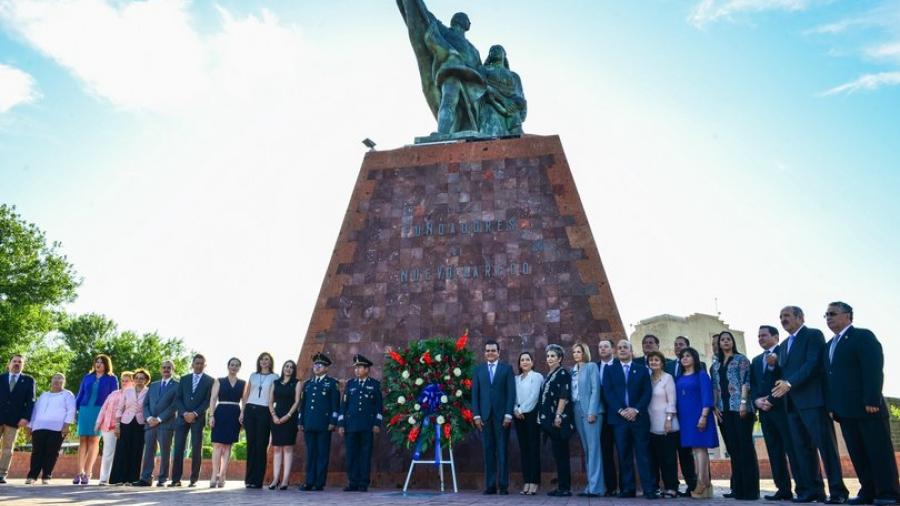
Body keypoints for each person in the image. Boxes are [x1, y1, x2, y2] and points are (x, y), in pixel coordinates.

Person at [823, 302, 900, 506]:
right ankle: (868, 491)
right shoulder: (829, 345)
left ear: (848, 316)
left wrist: (872, 398)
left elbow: (873, 368)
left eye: (833, 313)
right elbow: (829, 378)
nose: (828, 317)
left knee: (878, 451)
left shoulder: (862, 337)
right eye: (826, 315)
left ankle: (888, 493)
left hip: (867, 407)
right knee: (858, 453)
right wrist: (832, 406)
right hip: (845, 411)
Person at [772, 306, 849, 504]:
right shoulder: (782, 346)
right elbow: (783, 374)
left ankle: (838, 492)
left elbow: (812, 364)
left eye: (787, 316)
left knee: (826, 448)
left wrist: (789, 383)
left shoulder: (813, 335)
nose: (783, 320)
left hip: (813, 402)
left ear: (800, 317)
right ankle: (813, 491)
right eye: (781, 317)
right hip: (792, 405)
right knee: (802, 449)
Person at [603, 339, 658, 499]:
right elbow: (608, 393)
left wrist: (635, 409)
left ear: (631, 350)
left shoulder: (641, 370)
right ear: (615, 351)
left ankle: (649, 489)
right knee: (623, 455)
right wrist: (621, 411)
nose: (621, 350)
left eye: (625, 347)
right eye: (619, 348)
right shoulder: (609, 369)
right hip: (619, 420)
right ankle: (628, 489)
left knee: (644, 455)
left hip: (639, 419)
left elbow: (647, 392)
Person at [750, 325, 797, 501]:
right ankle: (783, 489)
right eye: (758, 335)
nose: (760, 338)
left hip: (783, 409)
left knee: (792, 450)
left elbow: (786, 377)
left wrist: (771, 399)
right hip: (764, 412)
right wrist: (756, 401)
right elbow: (753, 384)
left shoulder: (784, 353)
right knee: (774, 452)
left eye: (764, 335)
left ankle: (803, 487)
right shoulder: (755, 360)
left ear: (776, 337)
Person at [711, 331, 759, 500]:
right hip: (724, 411)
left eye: (728, 339)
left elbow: (746, 381)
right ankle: (738, 489)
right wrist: (715, 407)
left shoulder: (741, 359)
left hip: (741, 409)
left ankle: (750, 491)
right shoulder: (715, 365)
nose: (725, 342)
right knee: (733, 450)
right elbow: (715, 387)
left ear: (732, 342)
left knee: (745, 448)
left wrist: (744, 402)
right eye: (722, 339)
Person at [471, 339, 516, 495]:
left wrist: (509, 414)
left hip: (502, 417)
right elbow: (475, 395)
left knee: (502, 450)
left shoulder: (507, 369)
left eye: (493, 350)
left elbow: (511, 393)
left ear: (498, 352)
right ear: (484, 353)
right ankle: (490, 485)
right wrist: (476, 415)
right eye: (487, 350)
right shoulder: (478, 370)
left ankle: (503, 485)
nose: (490, 353)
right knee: (488, 450)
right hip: (484, 417)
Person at [675, 347, 717, 498]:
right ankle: (706, 486)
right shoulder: (679, 378)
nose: (684, 358)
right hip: (685, 418)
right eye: (682, 356)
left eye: (688, 356)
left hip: (700, 416)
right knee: (694, 450)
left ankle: (702, 482)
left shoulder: (701, 375)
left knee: (701, 449)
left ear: (694, 358)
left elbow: (707, 397)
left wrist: (704, 416)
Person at [339, 354, 382, 492]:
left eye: (360, 367)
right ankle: (353, 482)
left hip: (366, 425)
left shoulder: (374, 385)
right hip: (351, 425)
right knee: (351, 455)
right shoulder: (350, 384)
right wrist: (341, 424)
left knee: (365, 455)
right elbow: (343, 406)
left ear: (367, 369)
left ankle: (363, 483)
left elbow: (378, 406)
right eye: (355, 368)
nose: (357, 370)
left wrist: (377, 423)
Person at [74, 354, 118, 485]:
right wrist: (76, 410)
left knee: (94, 440)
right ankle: (78, 472)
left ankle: (88, 473)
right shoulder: (87, 377)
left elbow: (113, 397)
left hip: (100, 411)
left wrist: (109, 415)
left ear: (106, 365)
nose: (98, 364)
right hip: (85, 409)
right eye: (97, 362)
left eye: (101, 362)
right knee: (83, 440)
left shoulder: (112, 378)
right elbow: (80, 394)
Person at [298, 352, 340, 491]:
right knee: (311, 454)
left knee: (322, 454)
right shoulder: (308, 384)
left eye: (320, 365)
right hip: (309, 423)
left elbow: (335, 405)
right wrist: (301, 421)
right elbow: (303, 405)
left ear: (326, 368)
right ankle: (309, 482)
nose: (317, 367)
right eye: (315, 364)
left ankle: (319, 483)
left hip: (324, 424)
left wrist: (333, 421)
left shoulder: (332, 383)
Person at [170, 354, 214, 487]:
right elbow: (178, 398)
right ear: (192, 364)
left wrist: (194, 413)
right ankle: (175, 479)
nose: (199, 365)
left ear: (205, 365)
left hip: (198, 418)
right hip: (182, 418)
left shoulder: (210, 380)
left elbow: (208, 400)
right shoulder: (184, 379)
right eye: (197, 363)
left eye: (202, 363)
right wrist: (184, 413)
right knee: (178, 448)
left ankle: (194, 479)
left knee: (196, 449)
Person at [25, 373, 75, 484]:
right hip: (39, 427)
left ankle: (46, 476)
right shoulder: (44, 395)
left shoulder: (67, 394)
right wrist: (30, 426)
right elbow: (35, 411)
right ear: (51, 381)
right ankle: (32, 477)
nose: (57, 380)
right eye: (55, 378)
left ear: (64, 382)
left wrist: (66, 425)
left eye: (60, 378)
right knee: (37, 452)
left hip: (57, 428)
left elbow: (71, 411)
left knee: (51, 452)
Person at [538, 344, 575, 497]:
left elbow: (563, 396)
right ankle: (562, 486)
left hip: (559, 421)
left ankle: (565, 488)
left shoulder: (563, 374)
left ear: (560, 358)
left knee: (562, 455)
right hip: (550, 423)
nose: (549, 359)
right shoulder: (551, 374)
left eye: (553, 356)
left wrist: (558, 415)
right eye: (548, 356)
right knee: (558, 455)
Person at [135, 360, 178, 487]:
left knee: (165, 452)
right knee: (148, 451)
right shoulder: (153, 385)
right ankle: (146, 478)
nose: (166, 369)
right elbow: (146, 404)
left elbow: (174, 406)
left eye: (168, 367)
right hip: (150, 424)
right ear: (160, 369)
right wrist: (148, 418)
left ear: (172, 369)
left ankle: (162, 479)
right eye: (164, 367)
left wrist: (159, 419)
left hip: (166, 424)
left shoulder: (177, 385)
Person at [665, 336, 698, 496]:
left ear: (688, 347)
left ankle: (693, 485)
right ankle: (673, 486)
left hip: (689, 415)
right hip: (671, 415)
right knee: (671, 452)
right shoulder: (668, 365)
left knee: (687, 453)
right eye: (676, 345)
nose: (678, 347)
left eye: (681, 345)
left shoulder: (697, 366)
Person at [571, 342, 604, 497]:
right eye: (574, 352)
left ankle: (596, 488)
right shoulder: (573, 370)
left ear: (585, 353)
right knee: (587, 449)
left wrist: (592, 411)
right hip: (577, 409)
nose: (576, 354)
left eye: (579, 351)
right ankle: (590, 486)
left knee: (594, 449)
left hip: (591, 410)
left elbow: (596, 389)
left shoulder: (591, 367)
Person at [241, 351, 278, 489]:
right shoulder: (253, 375)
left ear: (270, 362)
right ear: (259, 361)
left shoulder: (275, 377)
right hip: (250, 410)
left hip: (265, 411)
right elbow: (246, 394)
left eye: (267, 359)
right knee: (251, 445)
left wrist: (272, 410)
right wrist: (243, 411)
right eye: (262, 359)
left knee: (261, 445)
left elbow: (274, 395)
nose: (264, 361)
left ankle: (257, 480)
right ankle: (249, 479)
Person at [109, 368, 149, 486]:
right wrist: (117, 425)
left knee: (136, 450)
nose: (139, 380)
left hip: (140, 423)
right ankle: (118, 478)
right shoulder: (127, 391)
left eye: (142, 378)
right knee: (122, 450)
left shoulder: (149, 391)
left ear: (146, 380)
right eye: (136, 378)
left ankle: (132, 479)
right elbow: (120, 408)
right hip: (126, 422)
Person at [647, 350, 679, 498]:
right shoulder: (647, 378)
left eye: (656, 360)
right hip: (650, 424)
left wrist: (668, 420)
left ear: (662, 363)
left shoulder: (668, 378)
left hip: (667, 424)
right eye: (651, 360)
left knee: (668, 458)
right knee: (654, 459)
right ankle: (657, 487)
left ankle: (671, 487)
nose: (653, 362)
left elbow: (672, 401)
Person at [209, 357, 244, 488]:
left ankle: (223, 475)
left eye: (236, 365)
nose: (234, 367)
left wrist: (242, 413)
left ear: (239, 368)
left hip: (234, 413)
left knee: (228, 446)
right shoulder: (219, 381)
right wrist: (211, 415)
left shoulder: (243, 383)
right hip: (220, 412)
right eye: (232, 365)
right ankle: (214, 474)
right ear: (228, 366)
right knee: (217, 445)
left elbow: (244, 401)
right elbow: (213, 399)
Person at [0, 354, 35, 484]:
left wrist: (26, 418)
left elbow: (31, 401)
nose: (17, 363)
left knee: (8, 448)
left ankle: (2, 474)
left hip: (14, 420)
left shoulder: (28, 380)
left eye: (20, 362)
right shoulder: (1, 378)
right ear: (9, 364)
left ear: (23, 365)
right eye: (14, 361)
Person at [94, 371, 133, 485]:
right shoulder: (113, 394)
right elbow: (104, 408)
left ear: (132, 382)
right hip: (107, 427)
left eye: (127, 380)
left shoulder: (132, 395)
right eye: (123, 380)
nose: (124, 382)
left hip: (123, 428)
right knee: (107, 452)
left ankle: (118, 478)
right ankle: (104, 478)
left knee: (121, 453)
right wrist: (98, 423)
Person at [513, 351, 542, 496]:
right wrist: (516, 410)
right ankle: (527, 481)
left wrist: (522, 409)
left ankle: (534, 482)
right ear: (519, 363)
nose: (524, 362)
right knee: (524, 450)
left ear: (532, 362)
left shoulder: (537, 377)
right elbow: (514, 397)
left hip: (531, 416)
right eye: (522, 360)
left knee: (533, 449)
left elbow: (534, 396)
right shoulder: (516, 379)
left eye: (527, 359)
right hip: (519, 417)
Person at [269, 360, 300, 490]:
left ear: (294, 370)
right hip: (276, 417)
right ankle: (276, 478)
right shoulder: (275, 383)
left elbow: (297, 401)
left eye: (291, 367)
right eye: (286, 366)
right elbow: (270, 401)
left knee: (287, 448)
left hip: (290, 418)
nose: (288, 369)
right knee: (276, 448)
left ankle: (285, 480)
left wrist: (288, 416)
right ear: (283, 368)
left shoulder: (297, 383)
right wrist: (274, 416)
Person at [596, 339, 620, 496]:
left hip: (620, 415)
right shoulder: (594, 367)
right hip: (601, 416)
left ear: (613, 349)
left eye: (606, 346)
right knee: (605, 452)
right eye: (600, 347)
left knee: (623, 451)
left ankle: (626, 487)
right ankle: (610, 487)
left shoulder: (620, 365)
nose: (603, 349)